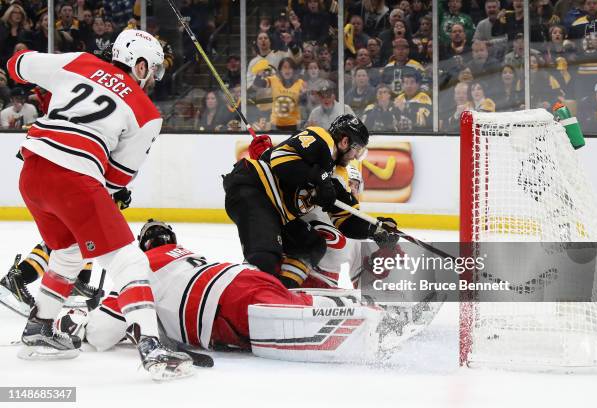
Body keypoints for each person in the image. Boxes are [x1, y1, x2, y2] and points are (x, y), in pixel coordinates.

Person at [6, 29, 193, 380]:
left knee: (70, 252)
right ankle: (152, 347)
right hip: (74, 176)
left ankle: (39, 329)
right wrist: (107, 193)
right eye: (151, 69)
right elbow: (117, 179)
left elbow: (18, 64)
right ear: (139, 66)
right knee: (129, 258)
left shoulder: (80, 62)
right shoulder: (147, 112)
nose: (151, 78)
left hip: (32, 173)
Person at [78, 219, 422, 362]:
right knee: (294, 298)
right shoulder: (188, 255)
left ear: (142, 246)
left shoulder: (138, 268)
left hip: (223, 306)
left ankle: (373, 322)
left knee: (295, 316)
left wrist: (78, 323)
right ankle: (377, 305)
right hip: (241, 276)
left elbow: (103, 332)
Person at [223, 113, 397, 288]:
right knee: (265, 256)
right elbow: (279, 160)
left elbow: (346, 220)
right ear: (344, 142)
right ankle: (242, 294)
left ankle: (283, 291)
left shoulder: (339, 175)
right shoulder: (322, 138)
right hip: (254, 189)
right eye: (356, 150)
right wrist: (319, 179)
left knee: (311, 245)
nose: (355, 157)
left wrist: (375, 229)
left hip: (278, 213)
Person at [253, 57, 306, 131]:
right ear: (280, 70)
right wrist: (259, 74)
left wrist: (303, 95)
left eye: (290, 68)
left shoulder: (300, 83)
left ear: (294, 70)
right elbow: (258, 84)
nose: (287, 70)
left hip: (294, 125)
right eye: (284, 67)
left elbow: (304, 104)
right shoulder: (273, 79)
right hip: (275, 124)